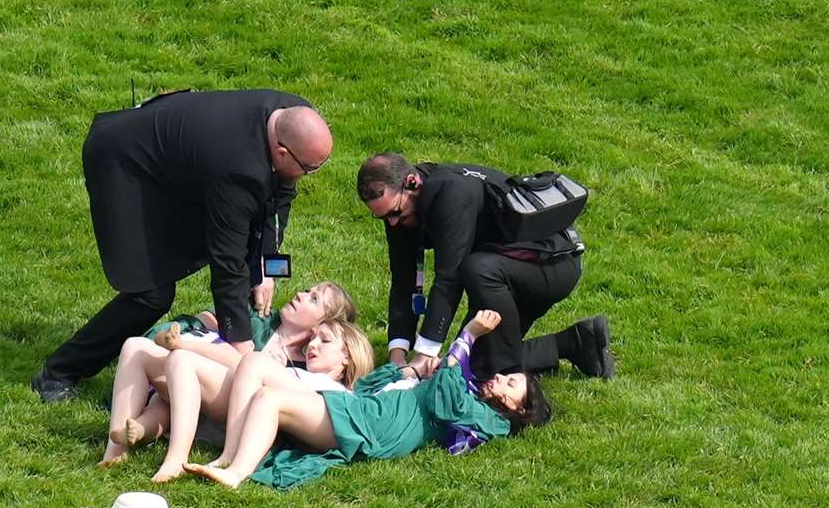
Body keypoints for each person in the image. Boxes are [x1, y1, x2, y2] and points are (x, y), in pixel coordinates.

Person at [33, 89, 334, 402]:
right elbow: (227, 264)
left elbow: (281, 193)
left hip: (179, 159)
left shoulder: (296, 116)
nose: (309, 176)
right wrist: (243, 351)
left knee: (241, 250)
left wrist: (266, 267)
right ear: (282, 151)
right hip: (125, 163)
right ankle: (58, 372)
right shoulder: (237, 169)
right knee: (151, 294)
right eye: (308, 169)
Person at [186, 310, 548, 489]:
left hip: (372, 424)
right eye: (507, 374)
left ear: (520, 409)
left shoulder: (492, 422)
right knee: (259, 375)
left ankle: (234, 472)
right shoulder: (469, 394)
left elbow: (444, 400)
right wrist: (413, 372)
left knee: (269, 397)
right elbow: (377, 384)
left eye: (512, 383)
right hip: (363, 409)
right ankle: (228, 459)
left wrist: (468, 335)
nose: (500, 377)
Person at [356, 153, 612, 382]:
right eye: (382, 217)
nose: (392, 223)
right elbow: (404, 280)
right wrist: (397, 357)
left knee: (474, 269)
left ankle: (562, 347)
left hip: (551, 266)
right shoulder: (401, 210)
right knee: (469, 367)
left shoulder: (451, 191)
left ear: (412, 182)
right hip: (505, 269)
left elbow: (449, 277)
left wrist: (424, 355)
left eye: (395, 212)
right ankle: (577, 342)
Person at [99, 281, 358, 467]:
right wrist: (175, 334)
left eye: (314, 299)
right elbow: (205, 321)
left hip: (235, 409)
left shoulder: (311, 362)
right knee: (135, 346)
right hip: (199, 384)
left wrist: (188, 346)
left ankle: (173, 455)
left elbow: (247, 368)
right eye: (307, 290)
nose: (301, 294)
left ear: (322, 324)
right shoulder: (260, 319)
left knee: (184, 359)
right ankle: (115, 450)